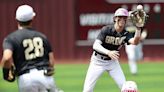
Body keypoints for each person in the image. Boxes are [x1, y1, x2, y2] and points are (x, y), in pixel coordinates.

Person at [1, 5, 60, 92]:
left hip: (26, 78)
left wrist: (6, 73)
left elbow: (7, 58)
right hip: (45, 75)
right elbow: (51, 62)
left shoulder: (11, 38)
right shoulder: (42, 36)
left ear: (17, 19)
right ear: (32, 19)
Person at [82, 8, 142, 92]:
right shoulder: (106, 30)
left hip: (112, 63)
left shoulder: (125, 33)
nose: (121, 20)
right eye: (119, 17)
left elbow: (135, 42)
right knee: (87, 90)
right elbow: (95, 45)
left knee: (125, 88)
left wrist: (138, 28)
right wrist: (108, 52)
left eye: (124, 18)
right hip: (97, 61)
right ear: (115, 19)